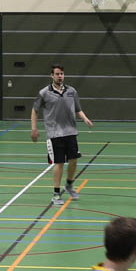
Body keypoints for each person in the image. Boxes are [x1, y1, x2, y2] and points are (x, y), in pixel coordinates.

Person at [30, 65, 94, 206]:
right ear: (52, 75)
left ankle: (69, 184)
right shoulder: (44, 93)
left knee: (74, 160)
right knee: (59, 163)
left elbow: (78, 109)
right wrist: (34, 128)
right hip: (54, 133)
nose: (60, 76)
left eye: (62, 74)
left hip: (70, 131)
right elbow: (35, 110)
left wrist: (85, 119)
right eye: (57, 74)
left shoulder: (71, 91)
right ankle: (56, 194)